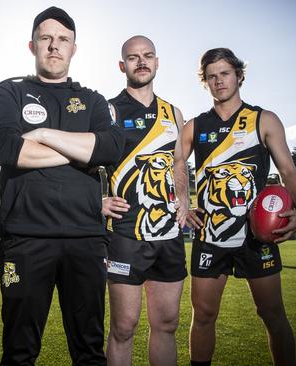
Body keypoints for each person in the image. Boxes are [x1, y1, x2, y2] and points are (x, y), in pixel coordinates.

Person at [0, 6, 124, 365]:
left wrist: (44, 135)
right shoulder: (9, 94)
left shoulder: (94, 100)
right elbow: (4, 147)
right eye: (46, 38)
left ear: (74, 48)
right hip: (26, 238)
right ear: (32, 45)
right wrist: (81, 149)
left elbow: (110, 148)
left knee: (90, 351)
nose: (54, 46)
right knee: (19, 351)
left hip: (86, 240)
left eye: (63, 40)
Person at [181, 48, 296, 366]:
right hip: (211, 234)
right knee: (204, 314)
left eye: (225, 73)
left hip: (256, 235)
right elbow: (174, 165)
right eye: (211, 76)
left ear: (239, 75)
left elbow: (288, 170)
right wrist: (182, 204)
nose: (218, 81)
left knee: (271, 312)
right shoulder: (194, 126)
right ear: (205, 82)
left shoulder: (263, 119)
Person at [100, 35, 189, 365]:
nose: (141, 61)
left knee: (167, 324)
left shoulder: (173, 113)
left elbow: (179, 161)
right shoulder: (106, 110)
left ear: (157, 62)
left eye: (147, 55)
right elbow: (84, 163)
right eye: (133, 57)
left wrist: (183, 197)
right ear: (122, 66)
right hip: (125, 234)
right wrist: (99, 200)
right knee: (124, 327)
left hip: (169, 235)